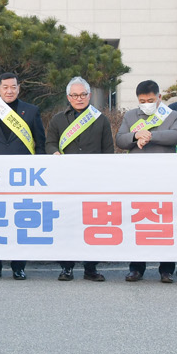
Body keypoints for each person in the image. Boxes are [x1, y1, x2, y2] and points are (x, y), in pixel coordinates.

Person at [0, 72, 44, 280]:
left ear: (19, 88)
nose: (9, 91)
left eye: (13, 87)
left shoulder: (31, 111)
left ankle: (18, 266)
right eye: (5, 87)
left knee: (19, 222)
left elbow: (40, 145)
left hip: (24, 177)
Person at [116, 80, 177, 282]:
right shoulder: (131, 116)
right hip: (138, 177)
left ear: (159, 98)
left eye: (150, 100)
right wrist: (135, 135)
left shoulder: (172, 115)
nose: (146, 104)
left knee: (165, 222)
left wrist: (150, 136)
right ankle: (136, 268)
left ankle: (166, 269)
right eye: (142, 101)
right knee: (138, 221)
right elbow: (120, 139)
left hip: (165, 177)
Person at [46, 76, 114, 282]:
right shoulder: (58, 120)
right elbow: (49, 143)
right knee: (66, 224)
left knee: (92, 224)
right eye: (74, 95)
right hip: (65, 181)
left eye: (83, 94)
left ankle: (90, 268)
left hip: (93, 180)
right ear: (68, 97)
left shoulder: (100, 119)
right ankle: (66, 267)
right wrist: (54, 152)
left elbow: (108, 151)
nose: (79, 98)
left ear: (89, 95)